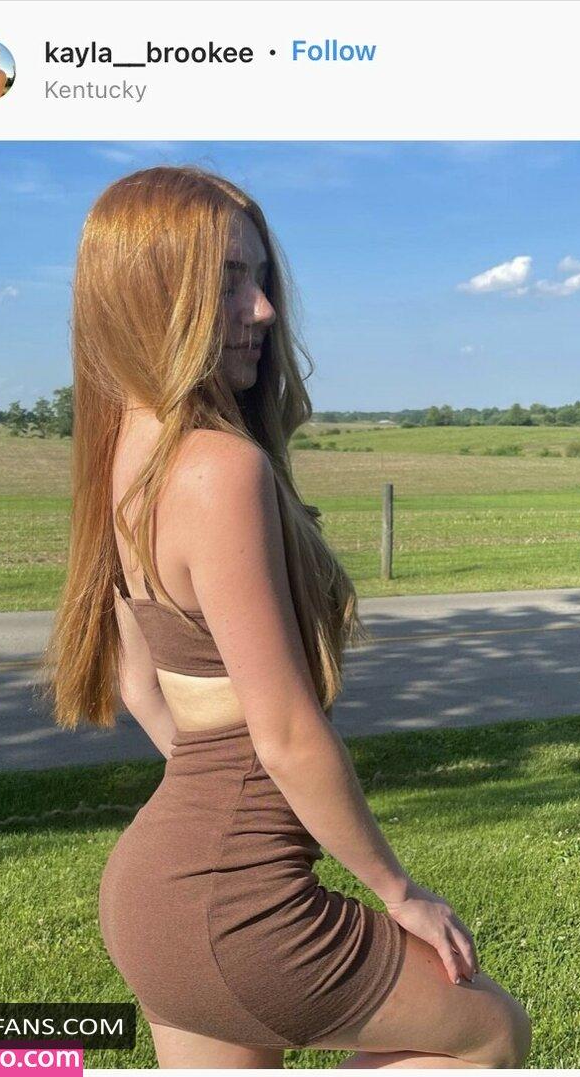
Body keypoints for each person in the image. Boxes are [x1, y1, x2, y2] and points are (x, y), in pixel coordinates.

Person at [40, 165, 532, 1069]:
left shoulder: (123, 454)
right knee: (489, 1033)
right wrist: (398, 891)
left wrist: (218, 808)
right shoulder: (216, 469)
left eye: (261, 277)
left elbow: (139, 683)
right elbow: (287, 734)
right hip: (237, 908)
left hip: (155, 897)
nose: (263, 309)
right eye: (229, 279)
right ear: (150, 291)